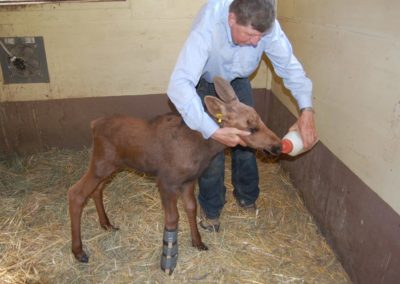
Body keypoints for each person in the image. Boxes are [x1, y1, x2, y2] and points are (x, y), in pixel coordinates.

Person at [167, 0, 317, 232]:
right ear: (232, 19)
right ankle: (212, 209)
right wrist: (214, 130)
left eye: (261, 36)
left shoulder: (267, 27)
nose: (257, 42)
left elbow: (289, 67)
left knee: (249, 144)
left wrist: (307, 110)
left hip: (237, 82)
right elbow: (179, 85)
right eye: (250, 35)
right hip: (204, 82)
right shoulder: (208, 27)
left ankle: (247, 196)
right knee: (212, 154)